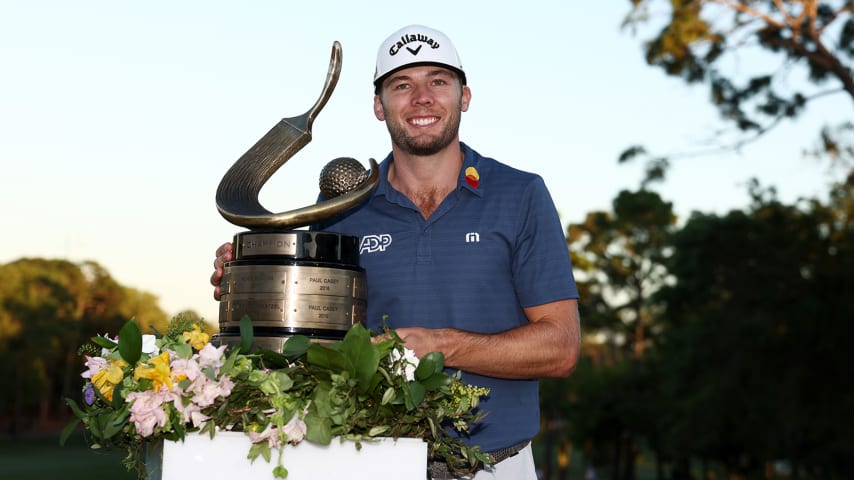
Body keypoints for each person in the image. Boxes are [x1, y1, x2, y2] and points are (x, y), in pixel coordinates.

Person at [211, 24, 580, 480]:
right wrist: (256, 273)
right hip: (365, 459)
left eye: (438, 81)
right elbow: (308, 335)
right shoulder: (341, 210)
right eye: (402, 85)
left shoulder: (520, 194)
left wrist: (438, 347)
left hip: (494, 466)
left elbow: (560, 348)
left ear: (464, 96)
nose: (422, 98)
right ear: (378, 106)